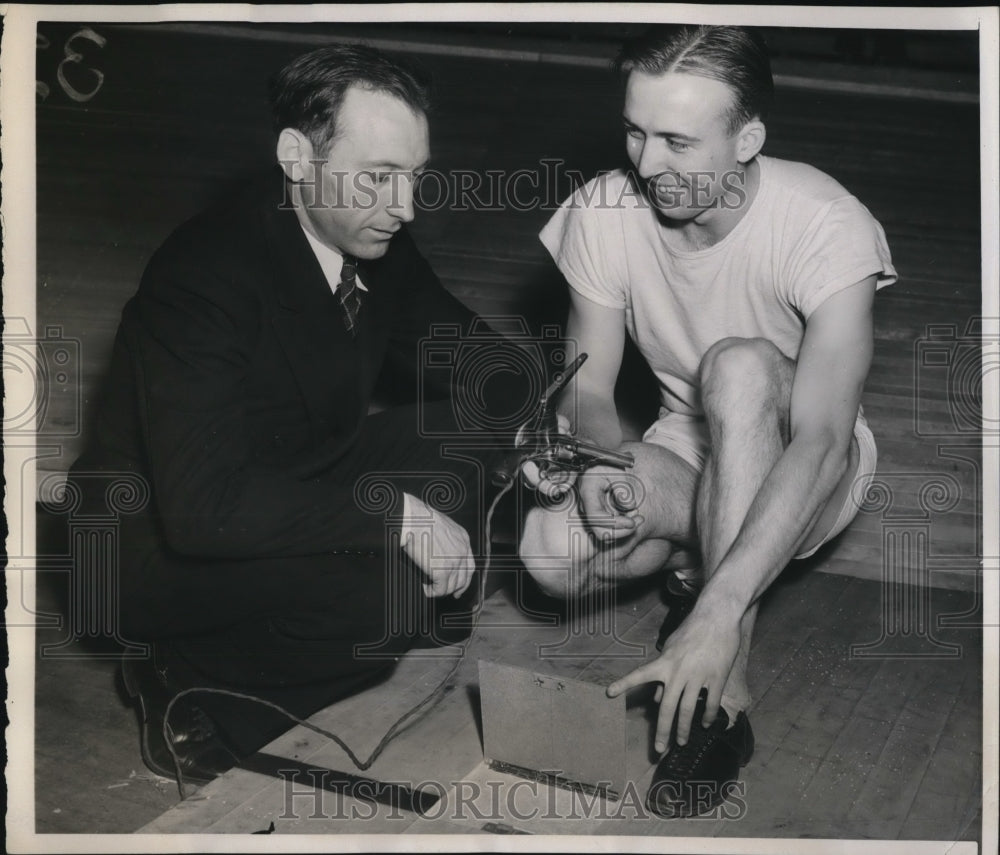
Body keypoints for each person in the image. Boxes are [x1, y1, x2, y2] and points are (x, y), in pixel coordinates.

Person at [70, 44, 522, 786]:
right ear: (296, 156)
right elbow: (206, 508)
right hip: (161, 536)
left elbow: (468, 355)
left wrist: (543, 424)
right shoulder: (202, 278)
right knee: (382, 588)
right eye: (378, 176)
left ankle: (372, 642)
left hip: (288, 475)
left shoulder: (368, 236)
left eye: (413, 177)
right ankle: (183, 683)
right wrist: (397, 516)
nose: (404, 206)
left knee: (465, 433)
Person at [518, 24, 896, 818]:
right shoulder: (602, 208)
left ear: (747, 138)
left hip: (809, 467)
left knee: (742, 367)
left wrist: (719, 615)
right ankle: (704, 563)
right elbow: (589, 388)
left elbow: (825, 440)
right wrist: (599, 466)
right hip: (687, 443)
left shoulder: (828, 224)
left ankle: (723, 700)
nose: (646, 163)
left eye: (677, 142)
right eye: (635, 130)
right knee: (549, 553)